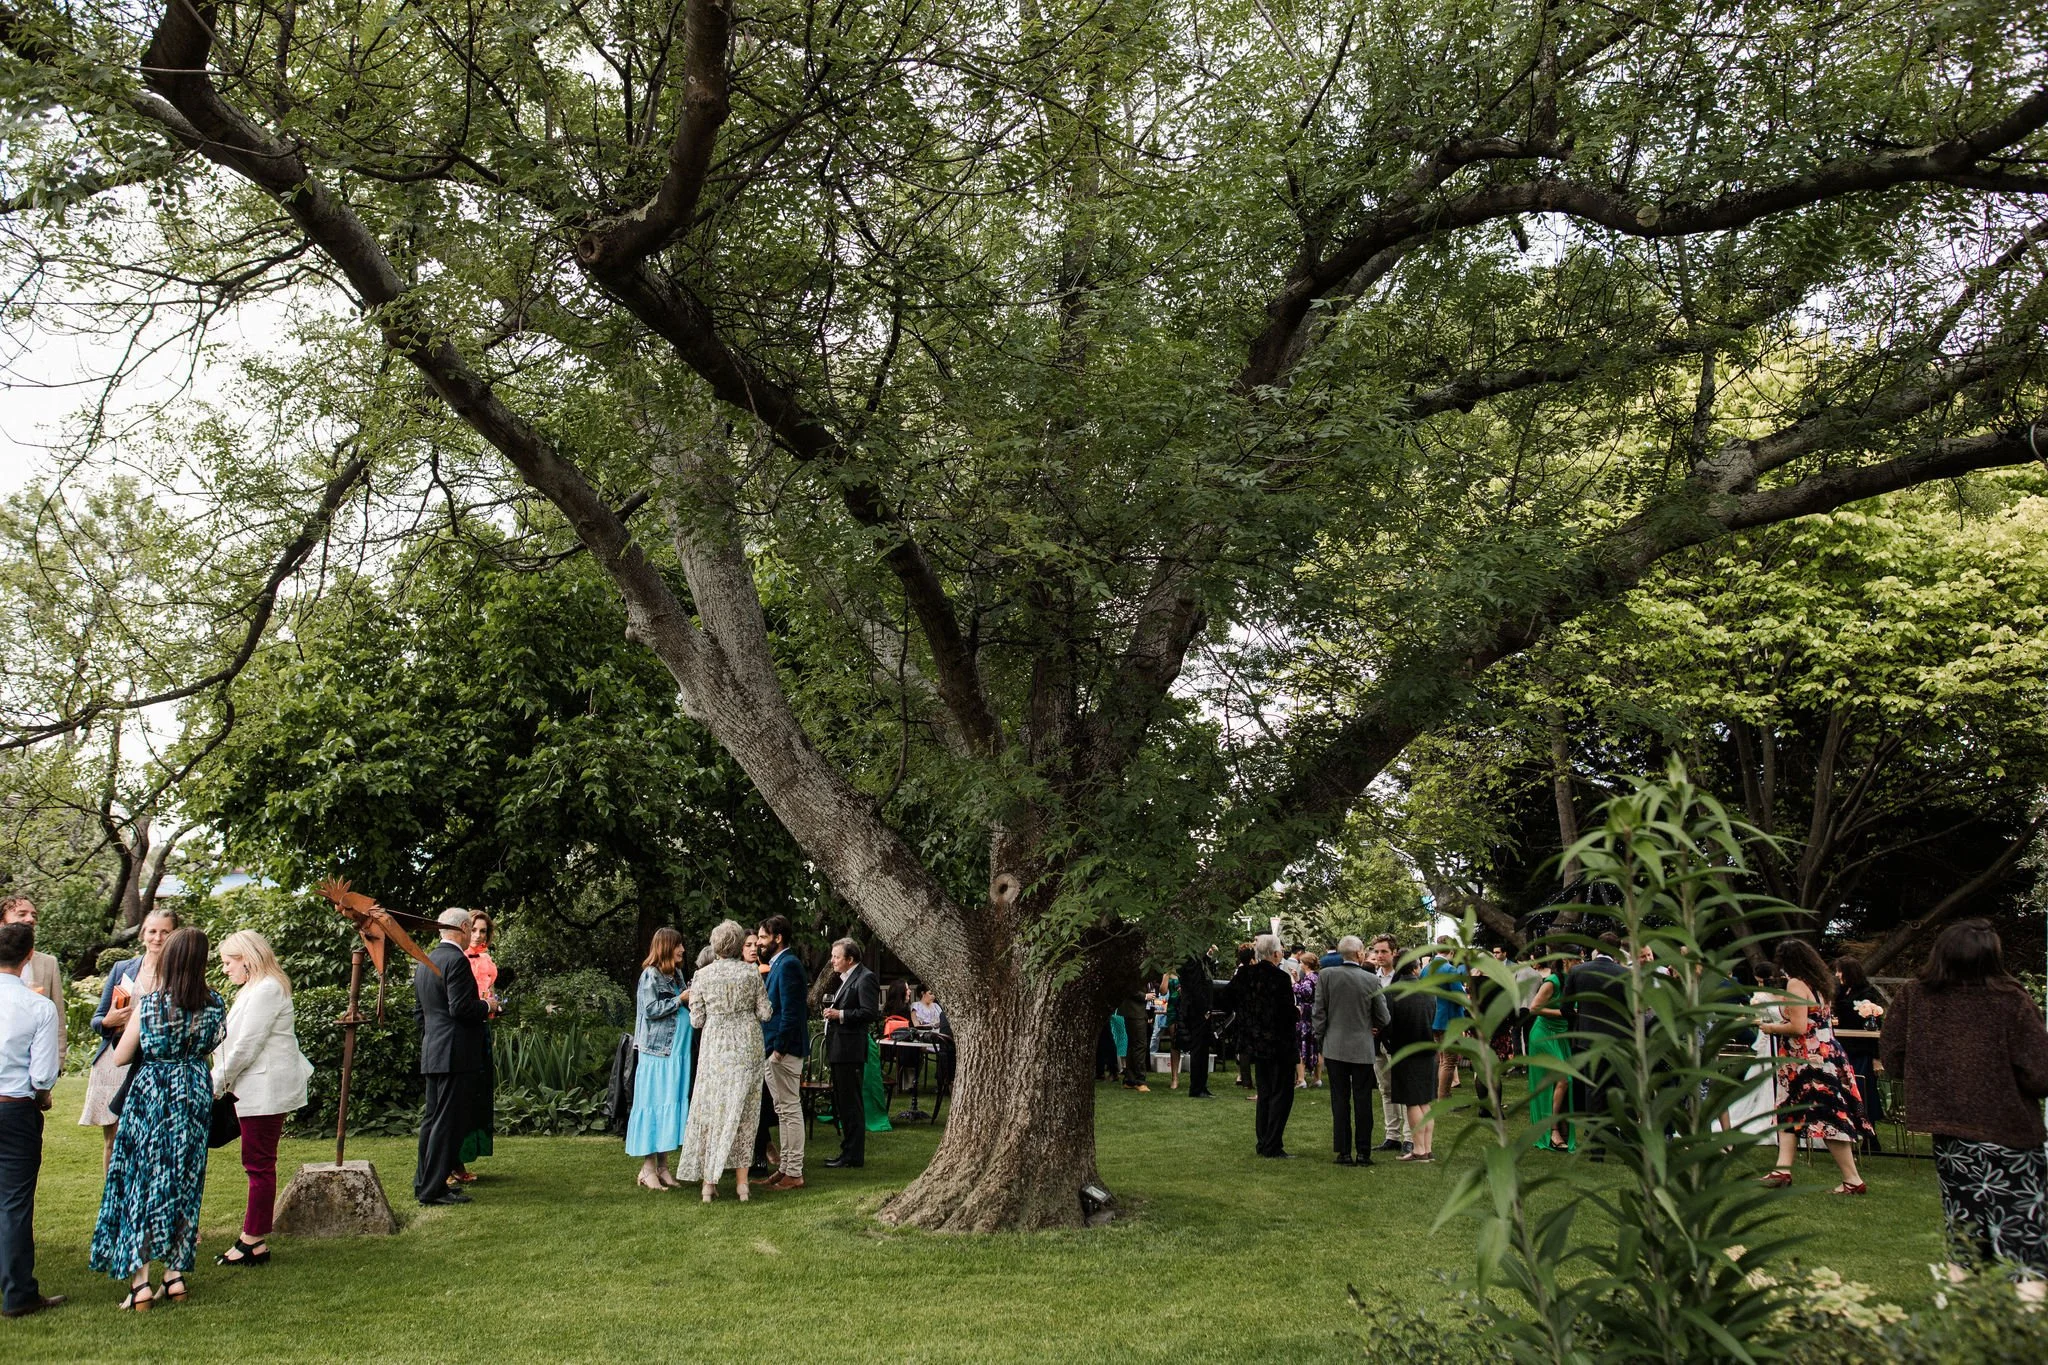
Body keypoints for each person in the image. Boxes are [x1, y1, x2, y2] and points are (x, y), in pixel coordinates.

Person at [1880, 919, 2048, 1300]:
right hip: (2011, 1134)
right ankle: (2029, 1332)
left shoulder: (1915, 996)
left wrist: (1937, 1080)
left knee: (1965, 1232)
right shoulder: (2012, 1000)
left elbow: (1892, 1056)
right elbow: (2040, 1075)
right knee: (2024, 1235)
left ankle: (1963, 1323)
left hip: (1951, 1134)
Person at [90, 926, 225, 1310]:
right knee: (185, 1178)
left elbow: (121, 1056)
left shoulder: (150, 1005)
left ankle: (140, 1283)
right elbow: (215, 1044)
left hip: (154, 1091)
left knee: (143, 1180)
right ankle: (175, 1275)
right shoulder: (215, 1003)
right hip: (194, 1091)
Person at [212, 929, 313, 1266]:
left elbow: (246, 1046)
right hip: (253, 1088)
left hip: (263, 1088)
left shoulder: (267, 989)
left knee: (259, 1164)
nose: (225, 969)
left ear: (248, 959)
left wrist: (216, 1084)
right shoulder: (255, 988)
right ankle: (254, 1241)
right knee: (256, 1162)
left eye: (229, 962)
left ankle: (253, 1238)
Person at [1758, 938, 1869, 1194]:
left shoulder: (1796, 984)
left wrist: (1769, 1027)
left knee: (1828, 1115)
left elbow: (1798, 1027)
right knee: (1788, 1110)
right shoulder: (1821, 984)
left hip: (1807, 1058)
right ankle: (1782, 1169)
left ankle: (1852, 1179)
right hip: (1824, 1052)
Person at [675, 920, 774, 1201]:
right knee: (744, 1113)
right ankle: (742, 1185)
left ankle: (709, 1184)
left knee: (712, 1111)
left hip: (715, 1048)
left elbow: (696, 1020)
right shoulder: (750, 973)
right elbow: (765, 1013)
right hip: (746, 1046)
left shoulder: (702, 976)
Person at [0, 921, 64, 1319]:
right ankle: (19, 1293)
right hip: (14, 1109)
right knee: (14, 1203)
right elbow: (42, 1075)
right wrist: (42, 1095)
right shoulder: (39, 1006)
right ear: (28, 958)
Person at [80, 906, 177, 1170]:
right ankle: (113, 1201)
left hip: (154, 1064)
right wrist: (108, 1022)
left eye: (165, 932)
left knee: (149, 1138)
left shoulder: (178, 974)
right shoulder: (124, 969)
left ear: (175, 935)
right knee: (113, 1139)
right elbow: (98, 1019)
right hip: (115, 1061)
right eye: (152, 931)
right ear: (143, 934)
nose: (157, 938)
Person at [413, 907, 489, 1207]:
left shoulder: (426, 959)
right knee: (445, 1123)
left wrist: (432, 1038)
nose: (473, 933)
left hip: (434, 1049)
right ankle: (433, 1189)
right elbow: (461, 1008)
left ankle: (424, 1182)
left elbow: (420, 1013)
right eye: (470, 927)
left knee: (432, 1120)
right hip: (455, 1053)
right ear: (461, 927)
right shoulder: (456, 960)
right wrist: (487, 1007)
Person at [1313, 935, 1391, 1166]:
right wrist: (1373, 1026)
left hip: (1334, 1046)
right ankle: (1364, 1152)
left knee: (1339, 1099)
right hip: (1362, 1047)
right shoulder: (1370, 980)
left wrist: (1321, 1038)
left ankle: (1344, 1152)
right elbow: (1384, 1016)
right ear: (1359, 954)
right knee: (1363, 1099)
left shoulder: (1326, 976)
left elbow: (1319, 1012)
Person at [627, 928, 692, 1191]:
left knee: (669, 1105)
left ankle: (664, 1166)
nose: (682, 950)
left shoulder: (676, 975)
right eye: (678, 946)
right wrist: (680, 999)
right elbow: (652, 1010)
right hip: (657, 1055)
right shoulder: (650, 975)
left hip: (677, 1053)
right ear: (666, 947)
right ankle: (647, 1168)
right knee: (654, 1106)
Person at [1229, 935, 1301, 1158]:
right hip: (1278, 1043)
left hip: (1256, 1043)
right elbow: (1287, 1012)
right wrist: (1296, 1013)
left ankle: (1263, 1141)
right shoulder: (1280, 978)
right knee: (1281, 1094)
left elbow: (1227, 998)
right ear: (1276, 953)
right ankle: (1272, 1143)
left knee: (1265, 1092)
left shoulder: (1244, 975)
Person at [1562, 935, 1631, 1159]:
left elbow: (1565, 1007)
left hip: (1587, 1040)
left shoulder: (1578, 972)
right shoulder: (1626, 974)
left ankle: (1596, 1147)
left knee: (1593, 1091)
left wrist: (1580, 1021)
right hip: (1617, 1040)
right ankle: (1624, 1139)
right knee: (1618, 1088)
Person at [754, 915, 810, 1191]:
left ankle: (794, 1171)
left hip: (783, 1050)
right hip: (776, 1049)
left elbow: (790, 1012)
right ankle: (785, 1167)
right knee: (783, 1110)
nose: (759, 943)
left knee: (789, 1109)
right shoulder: (779, 964)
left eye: (763, 937)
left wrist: (778, 1049)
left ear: (778, 938)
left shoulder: (788, 965)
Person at [452, 910, 501, 1186]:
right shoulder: (457, 959)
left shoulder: (486, 959)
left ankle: (460, 1159)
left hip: (480, 1028)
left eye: (483, 931)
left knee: (476, 1097)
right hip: (462, 1032)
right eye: (474, 930)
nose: (478, 936)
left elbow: (486, 995)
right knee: (461, 1097)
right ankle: (451, 1161)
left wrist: (492, 1005)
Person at [821, 938, 879, 1168]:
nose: (832, 961)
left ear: (850, 959)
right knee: (843, 1102)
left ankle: (853, 1155)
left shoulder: (865, 978)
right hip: (839, 1049)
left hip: (850, 1051)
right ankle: (847, 1151)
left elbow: (869, 1013)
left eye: (836, 957)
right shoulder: (846, 979)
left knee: (851, 1103)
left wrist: (840, 1015)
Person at [1381, 955, 1439, 1161]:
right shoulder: (1429, 990)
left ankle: (1420, 1149)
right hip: (1428, 1048)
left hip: (1405, 1050)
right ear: (1416, 968)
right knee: (1425, 1102)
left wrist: (1387, 1042)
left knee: (1412, 1103)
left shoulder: (1393, 992)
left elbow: (1387, 1023)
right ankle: (1427, 1148)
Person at [1832, 954, 1887, 1148]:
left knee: (1864, 1091)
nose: (1837, 974)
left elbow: (1874, 1025)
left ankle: (1871, 1135)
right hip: (1843, 1046)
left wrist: (1876, 1057)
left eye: (1839, 970)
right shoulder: (1840, 991)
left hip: (1861, 1048)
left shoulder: (1866, 993)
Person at [0, 900, 63, 1068]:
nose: (30, 919)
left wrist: (58, 1061)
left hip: (37, 1058)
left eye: (33, 915)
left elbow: (57, 1014)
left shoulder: (48, 963)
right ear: (2, 923)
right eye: (21, 914)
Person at [1524, 952, 1574, 1151]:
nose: (1580, 962)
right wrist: (1563, 1013)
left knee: (1561, 1082)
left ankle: (1560, 1126)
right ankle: (1552, 1130)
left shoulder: (1573, 980)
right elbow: (1534, 1007)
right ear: (1565, 961)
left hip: (1561, 1035)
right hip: (1543, 1034)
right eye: (1577, 959)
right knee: (1563, 1079)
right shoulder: (1552, 981)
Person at [1177, 951, 1217, 1099]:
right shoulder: (1191, 961)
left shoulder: (1198, 960)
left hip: (1200, 1009)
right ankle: (1196, 1087)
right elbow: (1195, 987)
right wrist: (1204, 1009)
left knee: (1203, 1049)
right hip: (1196, 1010)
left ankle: (1201, 1085)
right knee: (1198, 1049)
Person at [1294, 951, 1321, 1089]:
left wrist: (1294, 983)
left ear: (1305, 964)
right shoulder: (1317, 977)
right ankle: (1317, 1077)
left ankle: (1301, 1078)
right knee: (1315, 1045)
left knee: (1302, 1044)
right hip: (1315, 1013)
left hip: (1306, 1014)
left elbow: (1306, 992)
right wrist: (1298, 979)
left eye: (1301, 962)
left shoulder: (1310, 978)